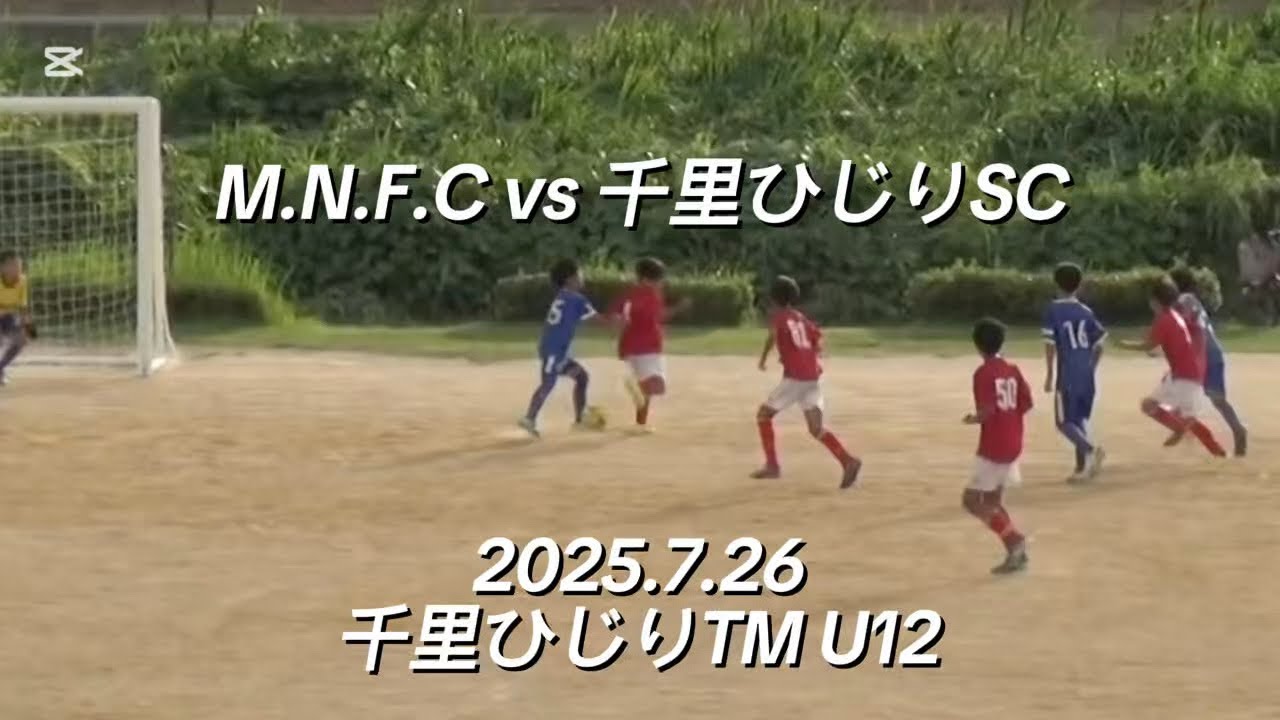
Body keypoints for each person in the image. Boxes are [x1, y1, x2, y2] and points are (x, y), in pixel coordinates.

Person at [750, 275, 862, 489]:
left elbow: (772, 337)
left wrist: (764, 359)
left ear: (773, 298)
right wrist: (808, 354)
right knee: (815, 428)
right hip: (812, 376)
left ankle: (772, 465)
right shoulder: (800, 318)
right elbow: (817, 339)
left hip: (796, 378)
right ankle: (848, 461)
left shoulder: (779, 318)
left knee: (763, 415)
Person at [1119, 276, 1226, 457]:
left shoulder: (1164, 319)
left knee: (1185, 418)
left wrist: (1124, 345)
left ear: (1155, 301)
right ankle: (1205, 443)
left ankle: (1202, 442)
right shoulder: (1174, 316)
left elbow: (1148, 345)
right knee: (1150, 406)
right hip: (1182, 373)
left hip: (1186, 375)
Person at [963, 318, 1032, 575]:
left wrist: (974, 418)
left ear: (977, 345)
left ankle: (1014, 541)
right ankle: (1015, 552)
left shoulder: (983, 373)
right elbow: (1026, 403)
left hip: (993, 445)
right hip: (1014, 440)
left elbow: (987, 410)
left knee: (972, 500)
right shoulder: (1012, 369)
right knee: (993, 500)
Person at [1167, 267, 1247, 456]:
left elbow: (1186, 326)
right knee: (1210, 399)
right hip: (1206, 355)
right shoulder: (1189, 300)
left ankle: (1236, 431)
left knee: (1210, 398)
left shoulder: (1184, 300)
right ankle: (1231, 431)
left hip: (1206, 355)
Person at [518, 259, 602, 438]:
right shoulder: (577, 299)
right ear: (570, 279)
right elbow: (598, 321)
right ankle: (529, 418)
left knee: (581, 377)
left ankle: (579, 420)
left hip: (557, 350)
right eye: (579, 274)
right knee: (548, 382)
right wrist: (619, 320)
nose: (582, 277)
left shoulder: (563, 296)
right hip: (553, 350)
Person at [1041, 262, 1107, 482]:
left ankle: (1091, 450)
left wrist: (1049, 374)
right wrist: (1091, 368)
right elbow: (1100, 343)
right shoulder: (1086, 311)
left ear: (1056, 284)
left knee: (1063, 422)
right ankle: (1082, 468)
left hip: (1067, 373)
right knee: (1078, 420)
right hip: (1086, 374)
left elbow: (1050, 344)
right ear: (1079, 285)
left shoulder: (1053, 310)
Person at [611, 258, 690, 433]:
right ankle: (634, 387)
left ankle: (641, 423)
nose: (660, 283)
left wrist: (620, 322)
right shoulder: (650, 295)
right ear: (647, 280)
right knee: (655, 386)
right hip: (647, 346)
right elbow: (659, 315)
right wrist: (680, 308)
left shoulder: (630, 293)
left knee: (648, 388)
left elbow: (617, 314)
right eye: (658, 279)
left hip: (630, 346)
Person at [0, 250, 33, 385]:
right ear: (3, 267)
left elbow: (23, 305)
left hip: (9, 316)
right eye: (13, 265)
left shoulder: (22, 280)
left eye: (19, 265)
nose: (18, 269)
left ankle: (0, 368)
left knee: (23, 340)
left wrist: (29, 328)